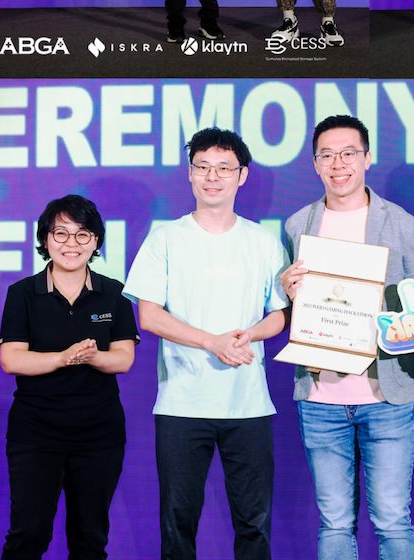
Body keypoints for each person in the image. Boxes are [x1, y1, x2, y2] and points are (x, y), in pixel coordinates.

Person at [123, 126, 290, 560]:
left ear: (243, 175)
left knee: (254, 524)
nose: (212, 177)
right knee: (178, 524)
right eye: (203, 167)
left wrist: (250, 334)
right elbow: (149, 315)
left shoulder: (263, 241)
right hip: (182, 404)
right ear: (190, 173)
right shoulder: (165, 238)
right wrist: (211, 342)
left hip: (248, 405)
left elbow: (280, 314)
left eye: (224, 168)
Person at [280, 114, 414, 560]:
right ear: (315, 163)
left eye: (348, 153)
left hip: (387, 397)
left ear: (367, 158)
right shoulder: (297, 225)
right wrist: (288, 290)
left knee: (393, 521)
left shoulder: (402, 224)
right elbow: (291, 310)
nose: (337, 164)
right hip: (320, 399)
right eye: (326, 155)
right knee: (334, 524)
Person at [0, 195, 138, 560]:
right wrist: (63, 358)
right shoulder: (22, 293)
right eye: (60, 233)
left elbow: (124, 358)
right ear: (45, 239)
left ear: (95, 241)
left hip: (99, 432)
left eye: (82, 234)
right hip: (36, 431)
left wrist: (94, 357)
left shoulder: (115, 293)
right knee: (28, 535)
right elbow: (11, 359)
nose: (71, 244)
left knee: (90, 538)